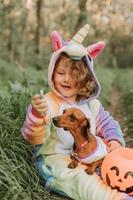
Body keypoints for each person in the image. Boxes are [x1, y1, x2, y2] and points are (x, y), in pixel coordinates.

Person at [21, 24, 131, 200]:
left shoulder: (91, 105)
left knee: (117, 169)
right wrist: (36, 114)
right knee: (83, 181)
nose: (66, 79)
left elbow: (107, 123)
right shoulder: (46, 103)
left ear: (86, 79)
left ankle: (124, 188)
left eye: (74, 74)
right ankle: (116, 198)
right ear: (52, 73)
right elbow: (34, 137)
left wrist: (114, 140)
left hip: (90, 153)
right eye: (60, 72)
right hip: (57, 161)